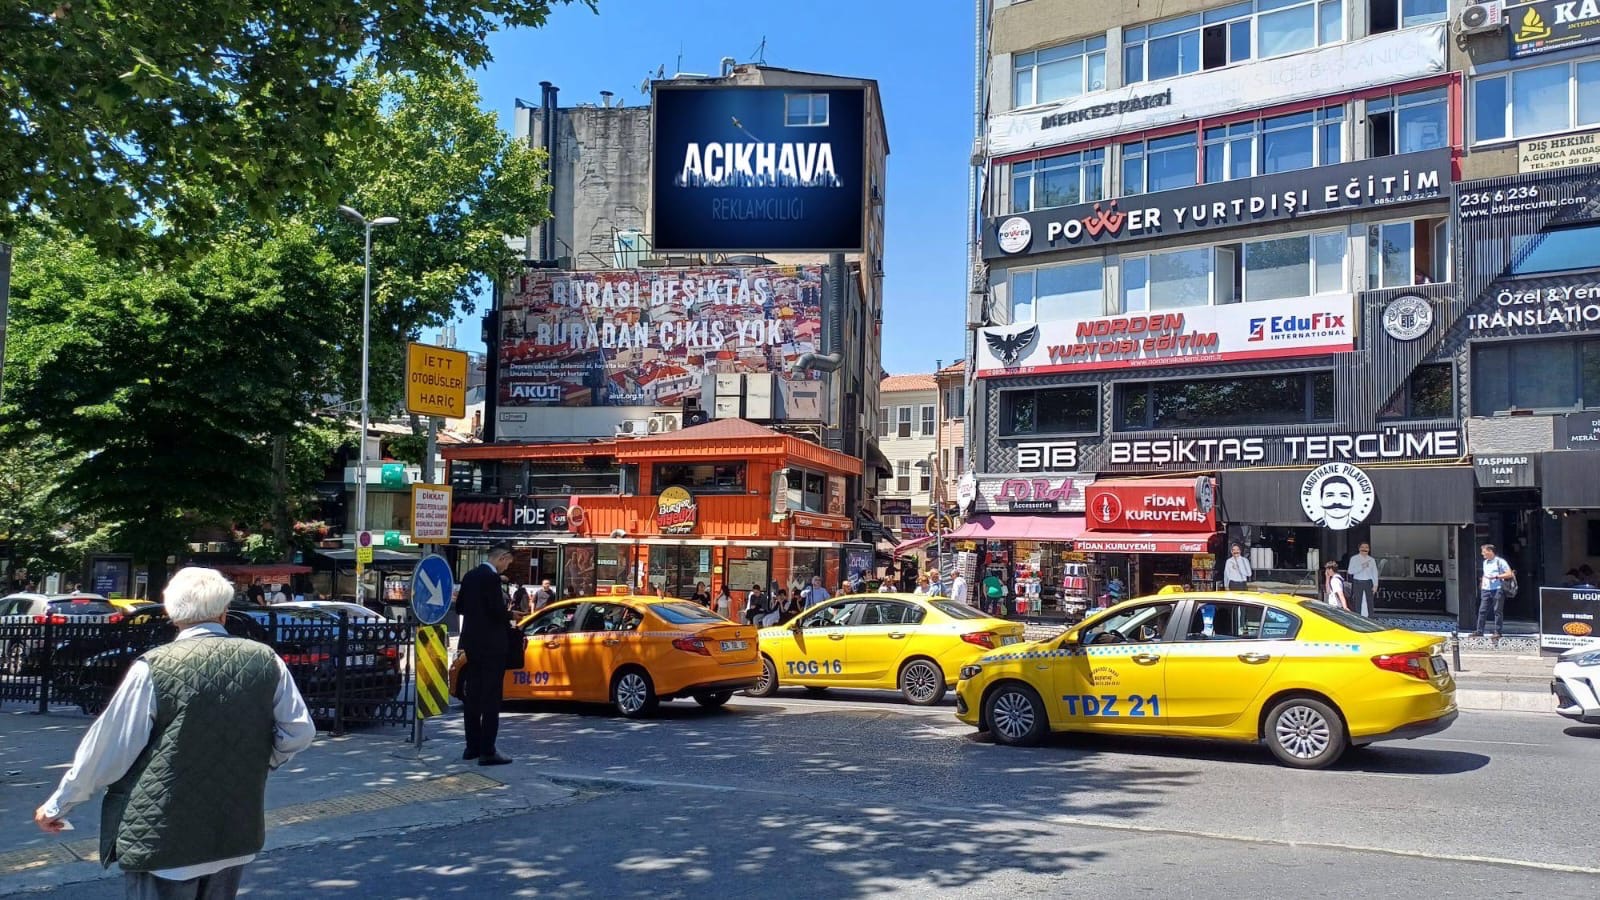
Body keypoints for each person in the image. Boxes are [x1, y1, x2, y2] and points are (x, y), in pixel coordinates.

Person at [34, 567, 315, 899]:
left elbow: (108, 750)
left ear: (171, 613)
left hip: (164, 838)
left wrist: (58, 805)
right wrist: (261, 759)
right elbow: (299, 731)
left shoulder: (154, 667)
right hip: (233, 833)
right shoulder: (266, 660)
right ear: (225, 612)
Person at [459, 546, 516, 766]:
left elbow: (461, 606)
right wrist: (510, 614)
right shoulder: (492, 579)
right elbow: (496, 612)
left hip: (472, 643)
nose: (506, 567)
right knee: (491, 697)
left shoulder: (470, 576)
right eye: (507, 562)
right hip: (492, 645)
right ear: (501, 558)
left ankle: (471, 746)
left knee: (473, 695)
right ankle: (488, 750)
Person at [1473, 543, 1514, 639]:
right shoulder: (1485, 562)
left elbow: (1509, 574)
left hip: (1497, 589)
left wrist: (1497, 576)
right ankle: (1479, 631)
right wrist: (1482, 585)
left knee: (1497, 611)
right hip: (1486, 589)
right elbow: (1485, 574)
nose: (1482, 554)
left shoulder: (1500, 561)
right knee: (1482, 610)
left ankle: (1498, 632)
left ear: (1490, 551)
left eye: (1484, 552)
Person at [1347, 542, 1380, 617]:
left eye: (1366, 547)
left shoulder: (1371, 560)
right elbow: (1350, 571)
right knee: (1358, 601)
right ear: (1359, 549)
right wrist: (1361, 566)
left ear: (1369, 549)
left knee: (1370, 601)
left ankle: (1371, 618)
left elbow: (1375, 573)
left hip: (1368, 582)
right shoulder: (1354, 559)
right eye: (1363, 547)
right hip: (1358, 582)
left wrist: (1375, 585)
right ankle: (1358, 618)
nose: (1364, 549)